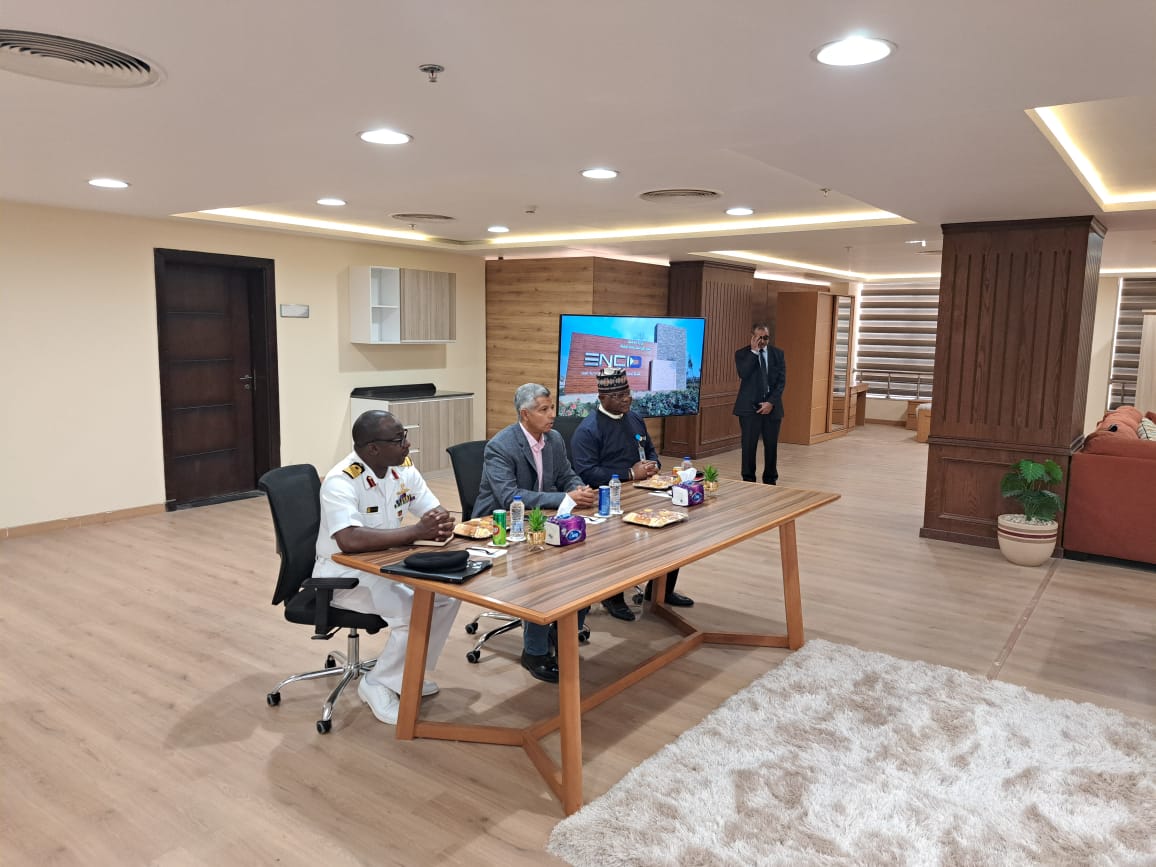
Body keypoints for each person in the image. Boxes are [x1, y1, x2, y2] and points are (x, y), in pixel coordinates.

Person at [314, 410, 460, 726]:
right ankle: (378, 683)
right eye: (399, 439)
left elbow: (433, 510)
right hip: (344, 575)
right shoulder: (341, 480)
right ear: (373, 448)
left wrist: (440, 522)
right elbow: (349, 539)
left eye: (404, 435)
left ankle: (405, 673)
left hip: (387, 565)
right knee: (414, 610)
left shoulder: (402, 469)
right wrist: (416, 531)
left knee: (448, 595)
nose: (407, 443)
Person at [474, 383, 597, 683]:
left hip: (542, 518)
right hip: (501, 525)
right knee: (541, 574)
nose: (552, 414)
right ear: (525, 414)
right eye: (544, 409)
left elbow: (566, 474)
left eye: (552, 407)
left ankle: (562, 630)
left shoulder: (553, 439)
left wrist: (579, 489)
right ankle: (535, 652)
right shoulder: (500, 446)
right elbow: (510, 497)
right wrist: (565, 498)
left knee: (587, 561)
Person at [570, 367, 694, 619]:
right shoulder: (588, 429)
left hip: (644, 490)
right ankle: (612, 597)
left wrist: (653, 464)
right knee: (619, 540)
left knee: (673, 527)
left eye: (627, 393)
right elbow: (587, 472)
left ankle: (660, 591)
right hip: (608, 498)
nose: (626, 399)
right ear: (602, 398)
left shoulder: (635, 418)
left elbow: (650, 450)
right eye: (618, 395)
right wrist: (629, 473)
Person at [733, 322, 786, 485]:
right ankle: (748, 479)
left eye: (765, 338)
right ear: (752, 337)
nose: (762, 341)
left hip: (772, 408)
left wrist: (770, 402)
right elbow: (743, 373)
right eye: (759, 338)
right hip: (749, 409)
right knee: (749, 446)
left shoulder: (778, 354)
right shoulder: (742, 354)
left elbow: (781, 382)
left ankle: (770, 479)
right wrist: (754, 352)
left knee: (771, 446)